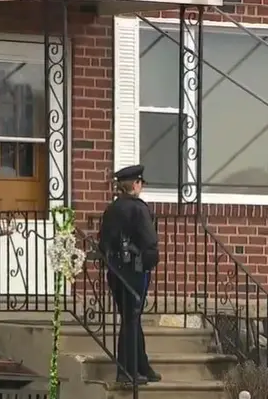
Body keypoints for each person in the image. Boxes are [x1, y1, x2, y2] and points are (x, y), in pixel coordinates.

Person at [98, 164, 162, 385]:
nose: (141, 186)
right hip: (135, 270)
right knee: (131, 319)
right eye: (140, 182)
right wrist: (149, 263)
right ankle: (126, 371)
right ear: (135, 184)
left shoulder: (111, 209)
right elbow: (150, 242)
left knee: (130, 318)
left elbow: (103, 243)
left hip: (116, 270)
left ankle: (141, 365)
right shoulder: (138, 209)